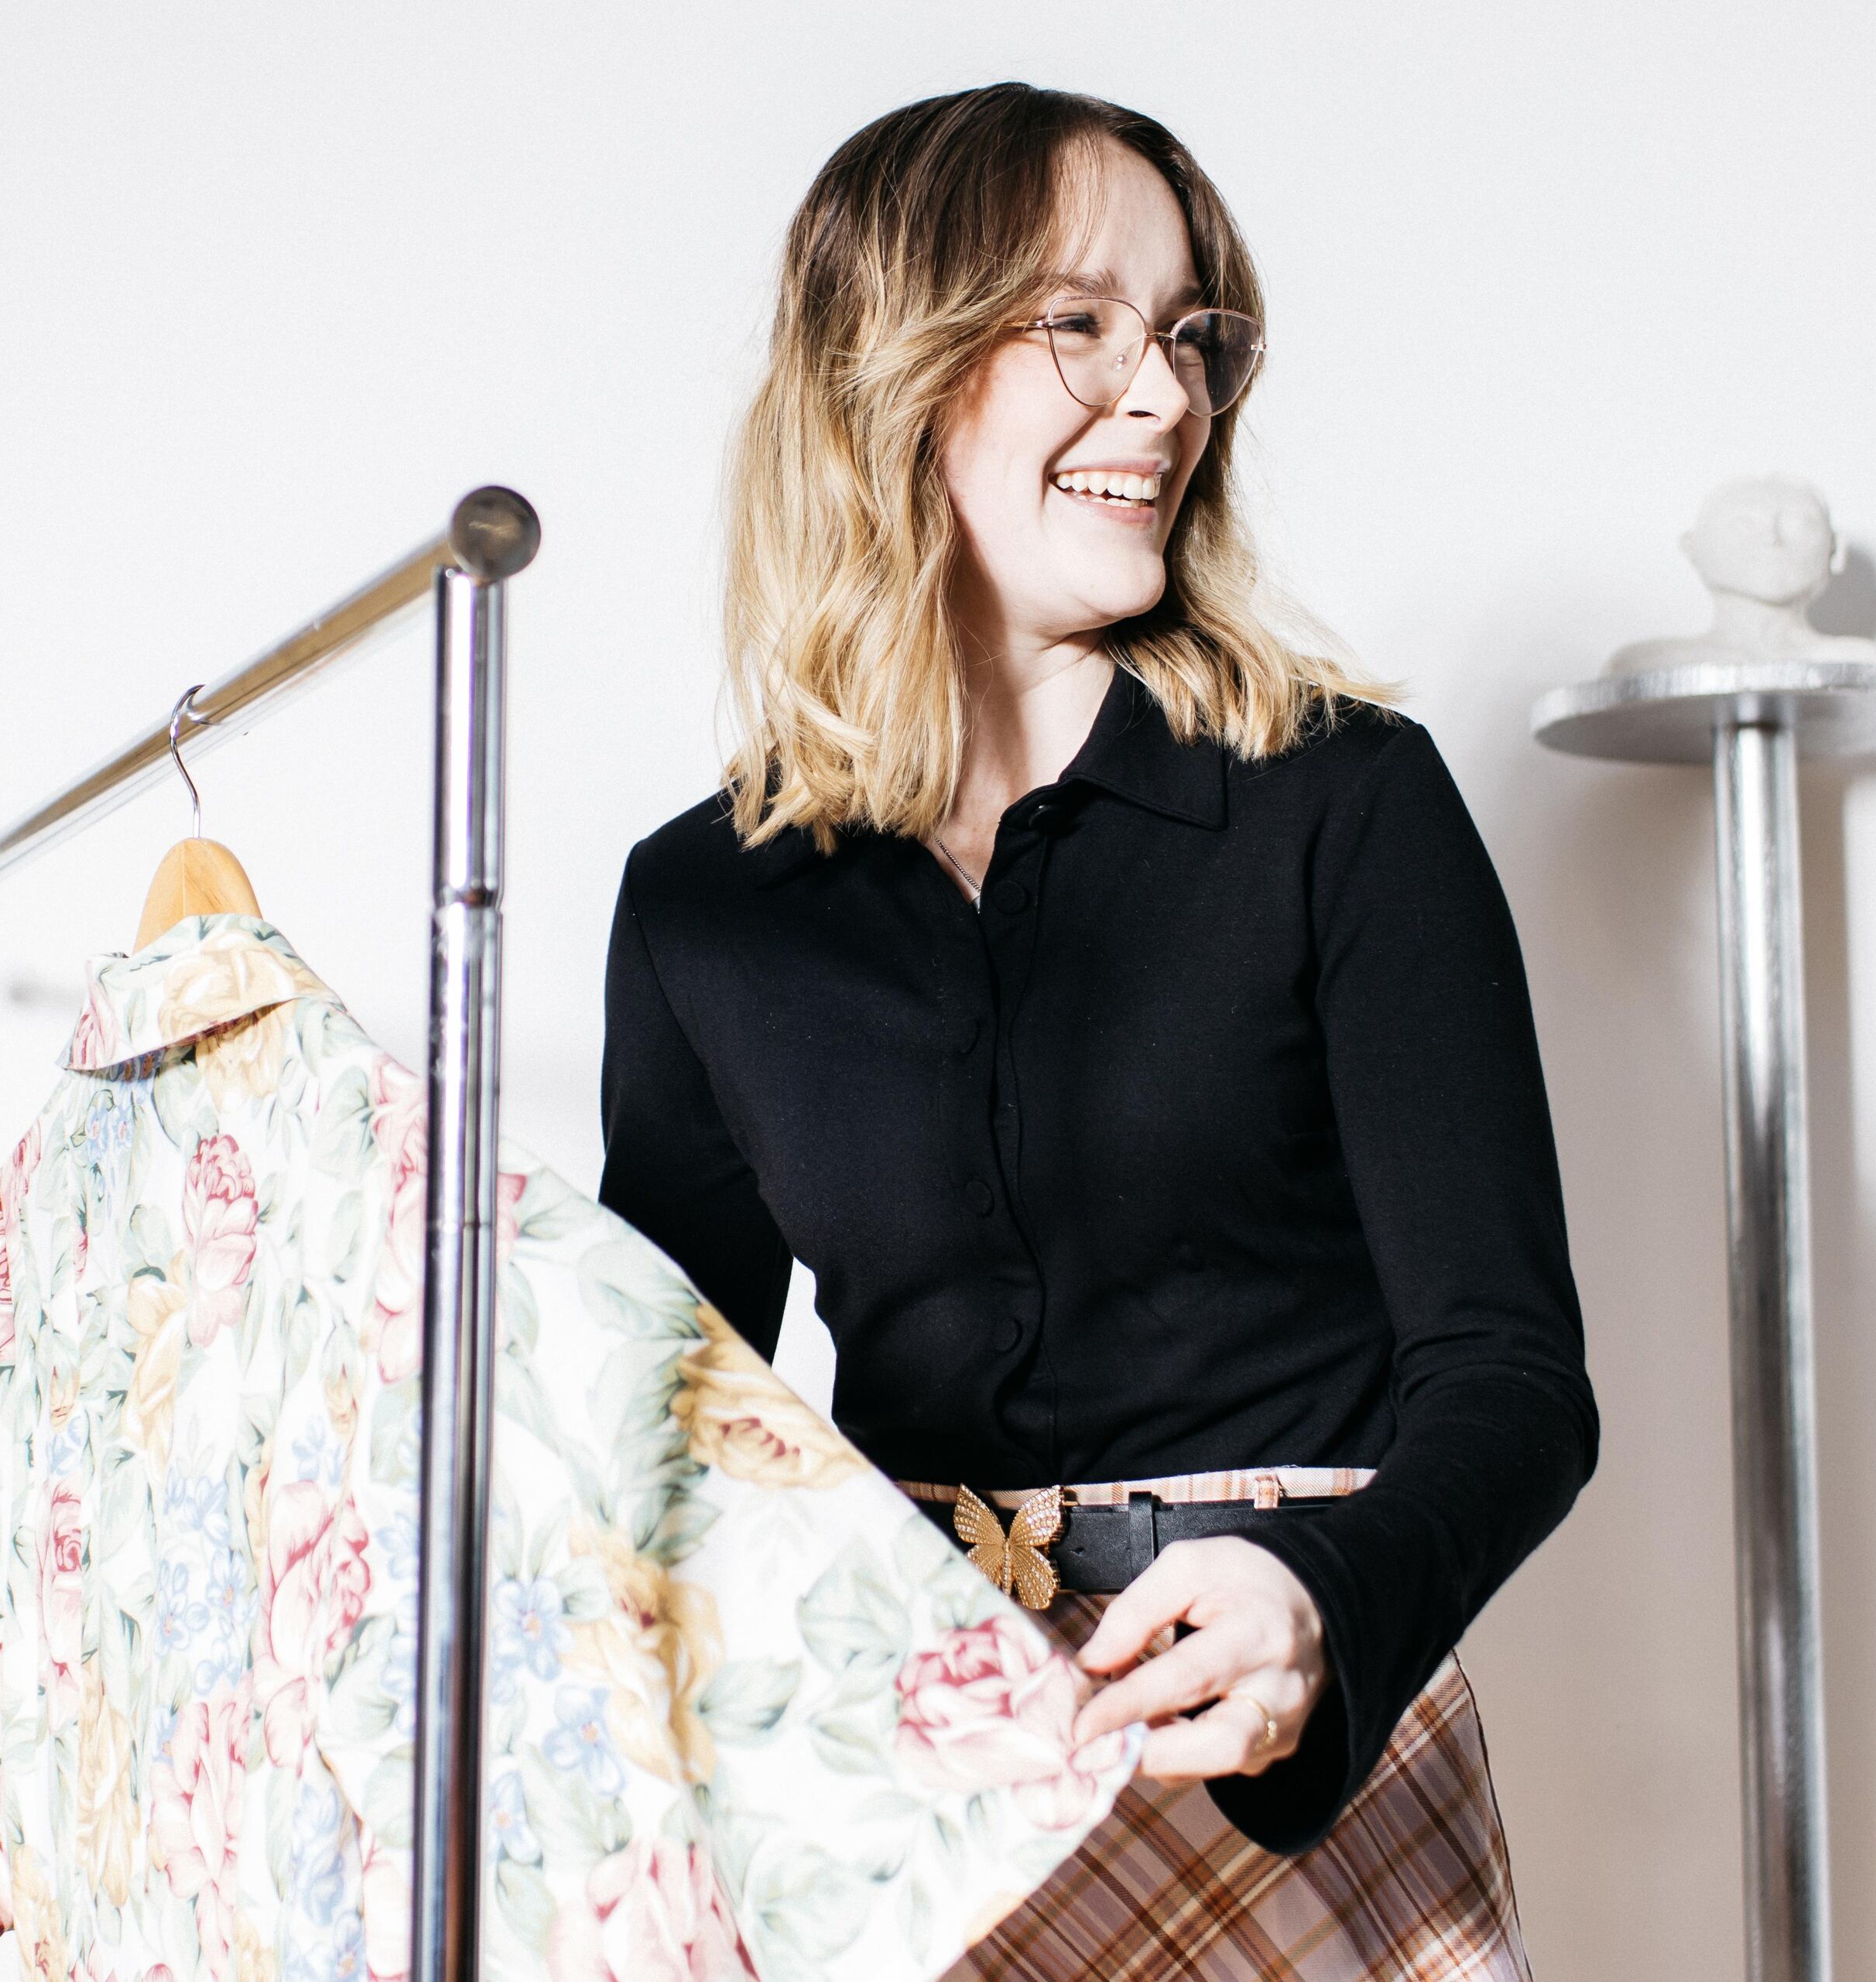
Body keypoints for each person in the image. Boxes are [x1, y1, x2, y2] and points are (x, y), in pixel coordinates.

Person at [599, 81, 1597, 1979]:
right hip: (918, 1795)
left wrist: (1326, 1601)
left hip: (1299, 1754)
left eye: (1192, 338)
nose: (1165, 398)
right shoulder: (703, 909)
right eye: (1085, 324)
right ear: (891, 362)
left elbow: (1516, 1381)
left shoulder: (1344, 802)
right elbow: (673, 1453)